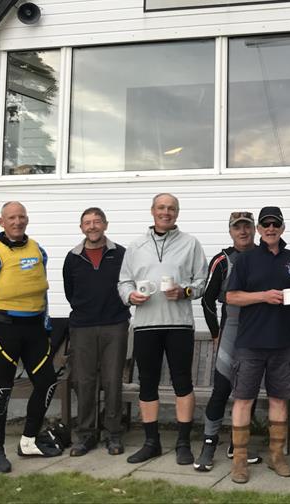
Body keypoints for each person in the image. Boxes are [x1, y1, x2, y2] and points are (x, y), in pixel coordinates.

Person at [0, 201, 62, 473]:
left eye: (21, 217)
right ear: (1, 222)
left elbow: (40, 290)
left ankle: (29, 440)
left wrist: (45, 324)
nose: (17, 222)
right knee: (3, 389)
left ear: (27, 220)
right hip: (3, 329)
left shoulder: (37, 250)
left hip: (34, 331)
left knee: (47, 383)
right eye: (11, 218)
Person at [118, 193, 207, 466]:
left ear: (177, 213)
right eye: (161, 208)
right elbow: (124, 281)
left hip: (178, 324)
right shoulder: (135, 246)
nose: (166, 212)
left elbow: (202, 282)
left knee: (183, 382)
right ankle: (151, 442)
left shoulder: (190, 244)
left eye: (171, 208)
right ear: (152, 211)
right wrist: (130, 296)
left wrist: (186, 291)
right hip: (145, 325)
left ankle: (182, 442)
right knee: (147, 382)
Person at [225, 206, 290, 483]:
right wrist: (262, 296)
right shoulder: (246, 260)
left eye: (276, 224)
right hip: (250, 342)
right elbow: (232, 297)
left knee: (279, 399)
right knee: (243, 400)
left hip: (283, 342)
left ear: (282, 228)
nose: (271, 229)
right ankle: (239, 461)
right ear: (259, 230)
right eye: (266, 225)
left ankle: (277, 456)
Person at [195, 211, 262, 471]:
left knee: (249, 392)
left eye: (247, 227)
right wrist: (215, 333)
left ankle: (238, 443)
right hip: (231, 330)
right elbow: (207, 299)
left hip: (257, 333)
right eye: (238, 228)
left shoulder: (264, 256)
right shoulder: (222, 260)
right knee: (221, 389)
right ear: (230, 231)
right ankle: (209, 444)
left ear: (254, 229)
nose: (243, 232)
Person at [62, 207, 128, 456]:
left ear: (105, 225)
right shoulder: (73, 257)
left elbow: (127, 283)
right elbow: (71, 291)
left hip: (115, 324)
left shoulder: (120, 254)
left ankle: (113, 434)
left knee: (112, 381)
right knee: (84, 381)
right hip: (83, 326)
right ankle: (86, 434)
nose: (92, 226)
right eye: (87, 223)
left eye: (96, 222)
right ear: (81, 228)